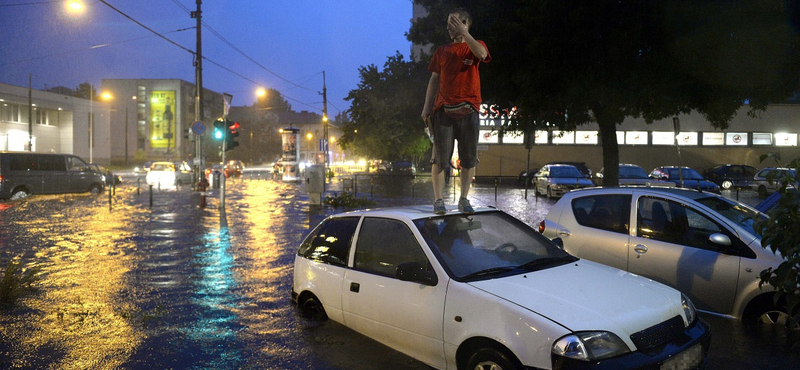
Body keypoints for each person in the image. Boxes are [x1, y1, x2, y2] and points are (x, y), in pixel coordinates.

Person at [421, 8, 491, 215]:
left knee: (469, 158)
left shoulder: (475, 46)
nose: (448, 28)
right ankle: (438, 200)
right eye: (448, 24)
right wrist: (426, 107)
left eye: (453, 24)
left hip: (470, 109)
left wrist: (465, 33)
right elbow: (434, 80)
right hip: (443, 110)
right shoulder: (442, 51)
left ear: (465, 23)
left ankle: (464, 199)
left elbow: (483, 54)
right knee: (440, 158)